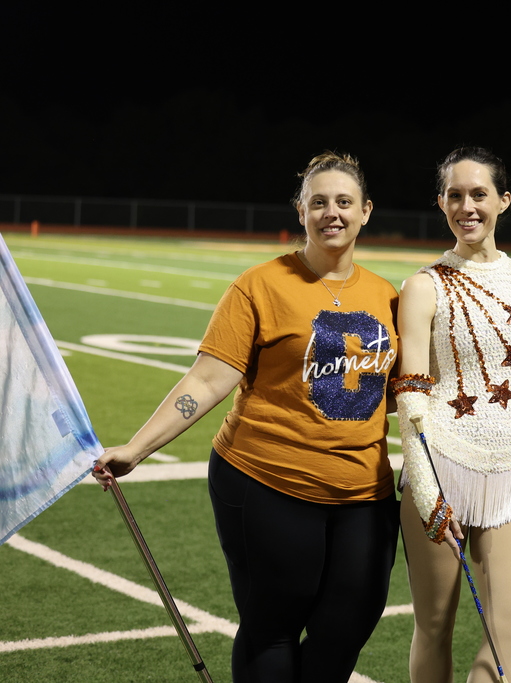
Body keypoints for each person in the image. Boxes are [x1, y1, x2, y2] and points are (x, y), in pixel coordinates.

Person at [94, 152, 401, 682]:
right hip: (268, 480)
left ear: (366, 211)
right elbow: (208, 379)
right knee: (273, 626)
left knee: (347, 625)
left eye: (345, 202)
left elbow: (392, 393)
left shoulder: (386, 295)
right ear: (300, 211)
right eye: (319, 202)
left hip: (363, 494)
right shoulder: (259, 285)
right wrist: (135, 449)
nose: (333, 213)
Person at [393, 146, 511, 683]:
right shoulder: (424, 285)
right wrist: (427, 494)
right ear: (442, 203)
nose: (467, 206)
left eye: (479, 194)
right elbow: (412, 397)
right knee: (435, 626)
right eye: (455, 195)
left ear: (503, 201)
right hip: (441, 468)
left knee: (509, 632)